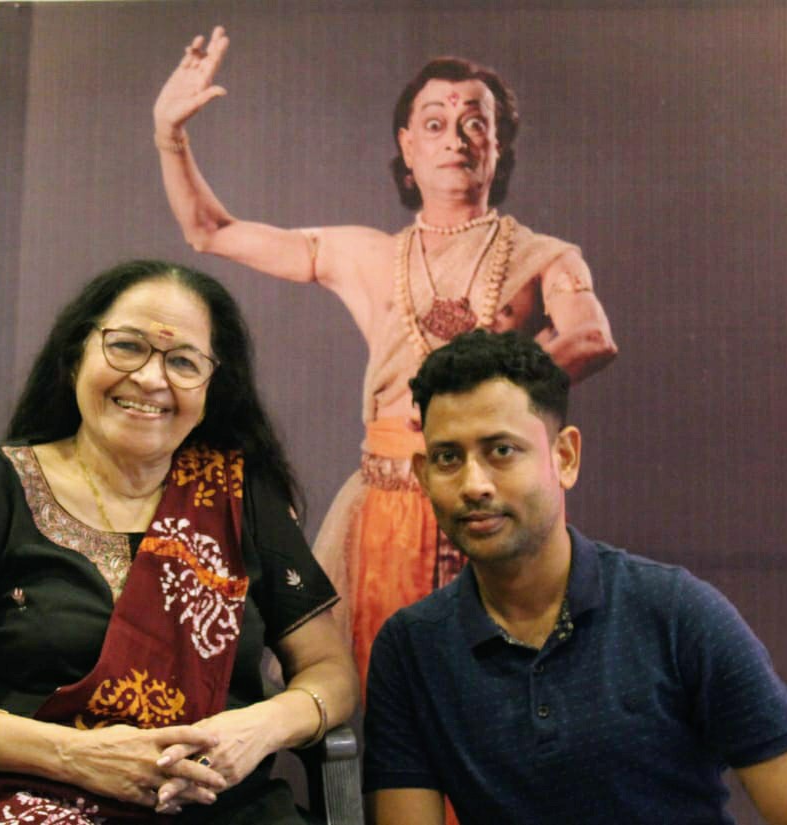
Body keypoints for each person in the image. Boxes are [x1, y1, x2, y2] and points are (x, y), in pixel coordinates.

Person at [153, 28, 618, 685]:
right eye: (435, 124)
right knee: (386, 683)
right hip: (387, 504)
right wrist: (169, 134)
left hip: (496, 492)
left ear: (500, 143)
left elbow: (591, 337)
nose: (455, 139)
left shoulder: (544, 257)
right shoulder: (367, 255)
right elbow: (211, 230)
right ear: (407, 145)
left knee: (504, 679)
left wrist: (482, 399)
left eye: (474, 123)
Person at [0, 260, 358, 824]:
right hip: (37, 796)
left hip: (222, 805)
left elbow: (330, 671)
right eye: (127, 346)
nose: (151, 379)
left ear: (212, 389)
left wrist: (261, 727)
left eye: (183, 361)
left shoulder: (238, 496)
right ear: (76, 358)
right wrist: (75, 755)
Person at [362, 329, 787, 825]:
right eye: (449, 457)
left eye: (502, 451)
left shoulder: (676, 614)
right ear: (423, 475)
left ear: (565, 458)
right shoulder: (412, 649)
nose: (474, 484)